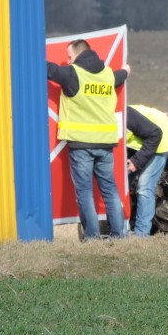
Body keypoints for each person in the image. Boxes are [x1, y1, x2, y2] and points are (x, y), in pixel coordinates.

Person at [48, 39, 130, 240]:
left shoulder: (72, 73)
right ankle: (119, 236)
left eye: (69, 57)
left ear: (77, 54)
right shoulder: (107, 75)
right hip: (105, 144)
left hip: (81, 144)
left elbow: (48, 69)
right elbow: (121, 76)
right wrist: (127, 70)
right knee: (110, 190)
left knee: (84, 193)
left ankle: (92, 237)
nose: (67, 61)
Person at [125, 105, 168, 237]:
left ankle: (142, 234)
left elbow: (155, 134)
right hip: (141, 140)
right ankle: (121, 230)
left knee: (144, 185)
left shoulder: (126, 116)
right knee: (122, 184)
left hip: (160, 140)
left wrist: (136, 162)